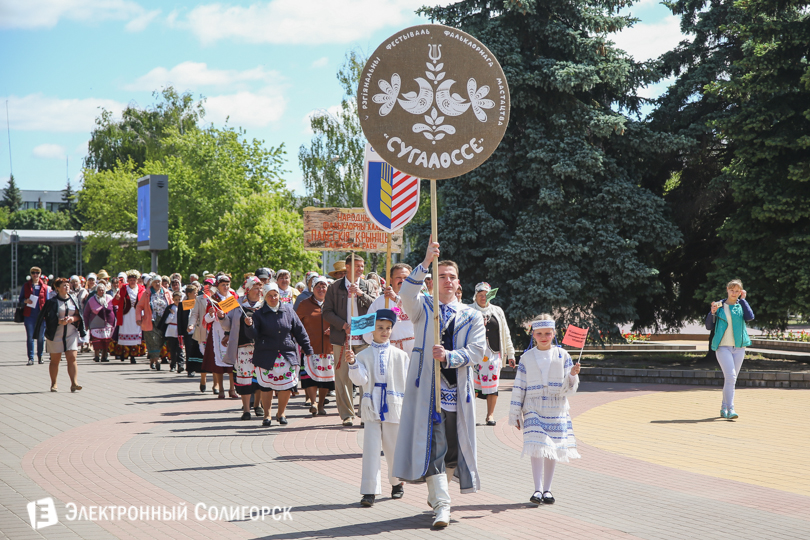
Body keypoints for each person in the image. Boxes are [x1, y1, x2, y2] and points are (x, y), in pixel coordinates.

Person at [393, 239, 485, 528]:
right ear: (433, 282)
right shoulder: (423, 307)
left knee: (452, 451)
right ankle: (443, 506)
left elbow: (477, 351)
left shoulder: (472, 316)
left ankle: (437, 494)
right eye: (441, 276)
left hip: (457, 392)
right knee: (433, 446)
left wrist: (450, 356)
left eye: (452, 277)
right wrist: (424, 262)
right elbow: (406, 292)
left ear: (459, 284)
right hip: (427, 393)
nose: (447, 281)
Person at [509, 315, 581, 505]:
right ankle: (537, 489)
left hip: (555, 407)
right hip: (532, 407)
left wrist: (572, 375)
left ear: (554, 333)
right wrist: (515, 413)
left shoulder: (562, 355)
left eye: (547, 333)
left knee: (552, 448)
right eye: (539, 333)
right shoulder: (526, 357)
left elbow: (569, 386)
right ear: (533, 334)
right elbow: (519, 386)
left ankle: (548, 489)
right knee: (537, 446)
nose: (543, 337)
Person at [346, 309, 409, 507]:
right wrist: (353, 363)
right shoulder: (363, 354)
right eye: (380, 328)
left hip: (394, 405)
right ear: (371, 330)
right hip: (372, 405)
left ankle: (397, 482)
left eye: (388, 328)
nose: (384, 332)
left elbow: (407, 383)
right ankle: (369, 490)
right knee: (371, 449)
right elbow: (360, 380)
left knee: (393, 447)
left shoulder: (400, 355)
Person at [246, 283, 314, 426]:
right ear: (265, 297)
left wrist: (308, 349)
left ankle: (281, 413)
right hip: (266, 355)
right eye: (269, 296)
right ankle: (267, 415)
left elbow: (300, 332)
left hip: (286, 354)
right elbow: (253, 335)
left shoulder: (289, 311)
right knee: (266, 387)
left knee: (286, 385)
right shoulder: (258, 314)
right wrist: (249, 325)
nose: (273, 298)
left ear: (279, 296)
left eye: (275, 295)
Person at [323, 254, 376, 427]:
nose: (361, 269)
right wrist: (343, 325)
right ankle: (347, 414)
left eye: (362, 266)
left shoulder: (368, 286)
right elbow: (327, 312)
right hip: (342, 338)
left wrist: (361, 294)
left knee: (364, 377)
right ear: (347, 267)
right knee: (342, 377)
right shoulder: (335, 287)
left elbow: (377, 306)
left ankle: (364, 413)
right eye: (357, 266)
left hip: (364, 338)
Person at [706, 279, 754, 420]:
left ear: (740, 292)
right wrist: (712, 312)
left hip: (739, 347)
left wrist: (744, 300)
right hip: (723, 347)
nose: (734, 293)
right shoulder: (719, 305)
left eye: (737, 291)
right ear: (727, 290)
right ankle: (731, 408)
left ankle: (724, 407)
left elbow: (750, 317)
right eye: (732, 290)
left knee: (731, 379)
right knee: (731, 377)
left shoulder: (741, 306)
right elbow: (709, 326)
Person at [470, 282, 516, 426]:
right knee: (473, 386)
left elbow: (506, 333)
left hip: (493, 355)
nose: (483, 298)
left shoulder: (497, 311)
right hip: (474, 354)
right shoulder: (469, 310)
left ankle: (490, 415)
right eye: (480, 295)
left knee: (492, 386)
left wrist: (511, 354)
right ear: (475, 296)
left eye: (486, 295)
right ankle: (471, 415)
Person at [222, 276, 264, 420]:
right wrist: (222, 317)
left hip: (261, 347)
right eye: (255, 288)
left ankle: (258, 405)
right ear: (247, 290)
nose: (259, 291)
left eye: (260, 288)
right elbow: (228, 325)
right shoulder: (236, 304)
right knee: (244, 379)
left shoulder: (265, 304)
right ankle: (246, 410)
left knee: (259, 377)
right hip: (242, 348)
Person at [34, 277, 86, 392]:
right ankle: (54, 383)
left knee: (72, 357)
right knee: (55, 360)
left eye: (67, 284)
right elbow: (47, 317)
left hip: (71, 332)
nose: (67, 286)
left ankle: (74, 383)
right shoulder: (52, 302)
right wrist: (59, 321)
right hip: (55, 333)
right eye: (63, 285)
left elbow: (79, 316)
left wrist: (72, 318)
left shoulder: (74, 299)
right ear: (57, 288)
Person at [297, 276, 334, 416]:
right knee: (310, 378)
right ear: (312, 289)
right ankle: (312, 402)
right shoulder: (304, 304)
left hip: (328, 347)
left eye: (324, 286)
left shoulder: (332, 304)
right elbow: (296, 324)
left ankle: (320, 404)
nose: (321, 289)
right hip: (310, 347)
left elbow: (339, 320)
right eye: (318, 286)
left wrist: (334, 329)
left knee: (325, 379)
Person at [363, 263, 415, 355]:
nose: (402, 280)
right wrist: (379, 342)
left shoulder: (418, 299)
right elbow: (366, 329)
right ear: (390, 280)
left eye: (406, 278)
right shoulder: (379, 302)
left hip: (414, 351)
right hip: (390, 351)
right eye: (398, 277)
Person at [200, 275, 238, 398]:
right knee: (219, 362)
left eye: (227, 284)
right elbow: (206, 319)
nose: (226, 287)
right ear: (218, 286)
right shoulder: (213, 299)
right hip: (217, 332)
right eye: (223, 285)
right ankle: (221, 389)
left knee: (233, 362)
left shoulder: (233, 297)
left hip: (232, 332)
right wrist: (211, 313)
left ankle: (232, 389)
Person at [136, 274, 173, 371]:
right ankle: (157, 361)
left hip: (163, 320)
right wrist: (138, 318)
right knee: (153, 340)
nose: (157, 283)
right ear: (151, 283)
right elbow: (139, 306)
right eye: (155, 282)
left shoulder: (167, 293)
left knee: (161, 340)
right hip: (150, 320)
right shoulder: (147, 293)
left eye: (159, 282)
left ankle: (153, 359)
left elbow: (172, 304)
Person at [112, 270, 145, 363]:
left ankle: (133, 356)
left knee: (135, 333)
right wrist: (116, 298)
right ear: (128, 281)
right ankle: (124, 354)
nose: (132, 282)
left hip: (136, 315)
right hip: (125, 316)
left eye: (134, 280)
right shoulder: (123, 289)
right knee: (125, 332)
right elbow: (114, 303)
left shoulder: (141, 289)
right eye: (130, 280)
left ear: (137, 280)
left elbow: (144, 302)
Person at [21, 267, 50, 365]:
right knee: (30, 337)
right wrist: (25, 301)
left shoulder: (45, 287)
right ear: (31, 274)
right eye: (33, 273)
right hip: (29, 315)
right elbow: (20, 300)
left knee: (41, 338)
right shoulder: (26, 286)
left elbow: (48, 302)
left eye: (37, 273)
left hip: (41, 316)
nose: (35, 275)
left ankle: (40, 356)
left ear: (40, 274)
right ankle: (31, 358)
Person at [83, 280, 116, 362]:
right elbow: (86, 313)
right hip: (95, 322)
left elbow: (115, 308)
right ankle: (96, 356)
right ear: (96, 291)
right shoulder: (91, 300)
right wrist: (86, 324)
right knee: (96, 340)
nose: (101, 291)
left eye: (102, 290)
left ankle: (104, 356)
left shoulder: (109, 298)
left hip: (108, 322)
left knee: (106, 340)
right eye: (99, 290)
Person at [159, 291, 185, 373]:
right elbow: (166, 321)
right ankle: (173, 365)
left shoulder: (184, 308)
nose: (178, 301)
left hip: (180, 330)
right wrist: (171, 315)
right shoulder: (170, 308)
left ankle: (180, 365)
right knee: (172, 349)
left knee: (180, 349)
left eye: (179, 299)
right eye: (176, 299)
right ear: (173, 299)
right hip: (171, 330)